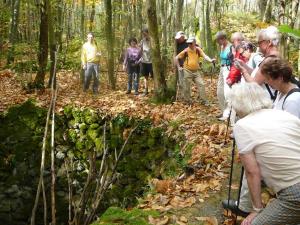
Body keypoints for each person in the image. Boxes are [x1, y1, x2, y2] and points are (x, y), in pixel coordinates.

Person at [228, 82, 300, 225]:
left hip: (294, 193)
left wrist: (257, 209)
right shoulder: (283, 114)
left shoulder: (242, 126)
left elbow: (252, 172)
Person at [235, 26, 280, 100]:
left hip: (266, 102)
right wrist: (243, 65)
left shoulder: (269, 60)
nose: (258, 45)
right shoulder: (273, 57)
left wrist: (243, 71)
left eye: (259, 42)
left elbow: (254, 85)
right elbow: (259, 75)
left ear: (269, 42)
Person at [175, 36, 215, 105]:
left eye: (191, 43)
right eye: (188, 43)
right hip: (187, 71)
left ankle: (204, 100)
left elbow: (205, 56)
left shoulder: (198, 49)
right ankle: (188, 101)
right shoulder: (186, 50)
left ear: (194, 43)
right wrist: (179, 67)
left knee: (201, 84)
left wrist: (211, 60)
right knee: (187, 86)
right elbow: (176, 58)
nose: (189, 44)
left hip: (196, 71)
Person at [215, 31, 233, 118]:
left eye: (218, 40)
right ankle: (223, 111)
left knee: (227, 92)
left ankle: (229, 114)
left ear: (223, 39)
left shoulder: (231, 47)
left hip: (229, 69)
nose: (217, 42)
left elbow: (233, 60)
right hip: (222, 69)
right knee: (219, 92)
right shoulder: (222, 46)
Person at [175, 31, 188, 100]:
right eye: (178, 38)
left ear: (183, 37)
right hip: (179, 65)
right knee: (181, 82)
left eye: (180, 38)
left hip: (186, 65)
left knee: (186, 82)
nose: (179, 39)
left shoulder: (188, 43)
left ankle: (186, 96)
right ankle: (182, 96)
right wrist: (178, 67)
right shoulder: (176, 44)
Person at [140, 28, 153, 96]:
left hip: (151, 61)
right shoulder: (142, 41)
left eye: (145, 33)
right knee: (145, 77)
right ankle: (146, 90)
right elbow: (141, 50)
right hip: (144, 61)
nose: (144, 35)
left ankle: (156, 89)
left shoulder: (152, 40)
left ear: (148, 33)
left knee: (154, 76)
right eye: (143, 33)